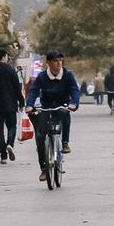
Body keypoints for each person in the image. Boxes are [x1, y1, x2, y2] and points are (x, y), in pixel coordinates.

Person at [26, 50, 80, 182]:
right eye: (56, 61)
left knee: (65, 114)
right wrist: (30, 105)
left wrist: (74, 103)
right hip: (46, 107)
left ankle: (65, 143)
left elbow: (74, 90)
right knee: (40, 137)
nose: (59, 63)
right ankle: (44, 169)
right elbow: (33, 91)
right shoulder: (42, 77)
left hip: (62, 105)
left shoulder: (67, 75)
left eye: (61, 60)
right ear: (49, 63)